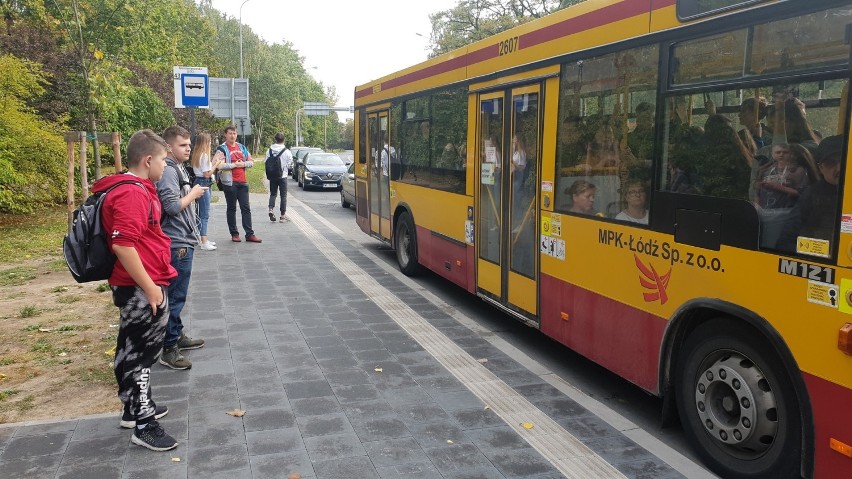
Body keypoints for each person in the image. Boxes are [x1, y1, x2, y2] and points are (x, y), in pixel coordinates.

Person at [94, 129, 177, 451]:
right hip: (142, 286)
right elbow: (123, 245)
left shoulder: (134, 187)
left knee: (129, 348)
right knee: (142, 357)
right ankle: (144, 425)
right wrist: (151, 289)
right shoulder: (132, 193)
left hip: (137, 284)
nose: (165, 167)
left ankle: (134, 409)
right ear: (147, 160)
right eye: (163, 161)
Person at [157, 126, 207, 370]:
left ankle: (176, 335)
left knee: (178, 295)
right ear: (168, 147)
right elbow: (171, 206)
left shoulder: (176, 168)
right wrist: (194, 194)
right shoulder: (168, 171)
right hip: (176, 243)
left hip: (183, 241)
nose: (188, 148)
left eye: (189, 144)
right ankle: (169, 348)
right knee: (174, 297)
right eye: (182, 145)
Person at [778, 135, 844, 252]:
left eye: (845, 160)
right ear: (820, 168)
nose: (839, 168)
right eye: (831, 163)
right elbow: (786, 243)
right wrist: (822, 252)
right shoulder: (811, 196)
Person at [213, 125, 262, 243]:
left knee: (246, 208)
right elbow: (219, 165)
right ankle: (234, 233)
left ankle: (249, 234)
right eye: (230, 133)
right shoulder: (221, 149)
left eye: (234, 133)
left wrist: (243, 164)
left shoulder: (241, 147)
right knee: (232, 208)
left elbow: (251, 162)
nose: (232, 136)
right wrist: (234, 165)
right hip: (229, 183)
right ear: (225, 134)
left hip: (243, 182)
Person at [190, 133, 222, 251]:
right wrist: (216, 165)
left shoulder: (197, 155)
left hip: (199, 181)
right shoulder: (204, 155)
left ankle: (200, 238)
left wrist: (213, 163)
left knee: (200, 212)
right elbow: (207, 173)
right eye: (209, 141)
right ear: (205, 143)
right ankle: (203, 240)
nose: (210, 143)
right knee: (204, 213)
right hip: (204, 182)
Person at [266, 133, 292, 223]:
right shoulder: (287, 151)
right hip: (283, 176)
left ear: (275, 139)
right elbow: (289, 165)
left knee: (273, 194)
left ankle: (270, 209)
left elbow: (266, 162)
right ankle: (282, 216)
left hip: (272, 176)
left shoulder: (269, 150)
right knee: (283, 196)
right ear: (283, 140)